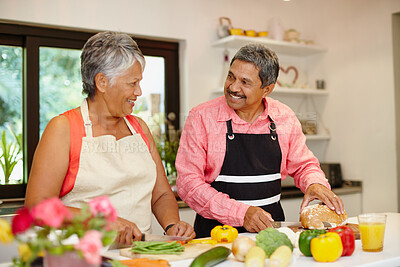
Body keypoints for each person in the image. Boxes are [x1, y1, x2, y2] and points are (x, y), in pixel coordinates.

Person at [25, 31, 195, 245]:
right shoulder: (63, 128)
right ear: (102, 82)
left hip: (138, 253)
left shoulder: (139, 128)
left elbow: (160, 194)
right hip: (83, 255)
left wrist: (172, 225)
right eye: (132, 83)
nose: (139, 91)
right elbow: (37, 207)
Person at [176, 43, 344, 238]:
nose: (233, 87)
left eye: (245, 82)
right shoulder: (201, 117)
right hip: (216, 237)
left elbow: (304, 165)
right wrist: (241, 213)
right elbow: (188, 183)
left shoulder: (284, 117)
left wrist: (315, 184)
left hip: (270, 234)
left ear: (267, 90)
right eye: (231, 76)